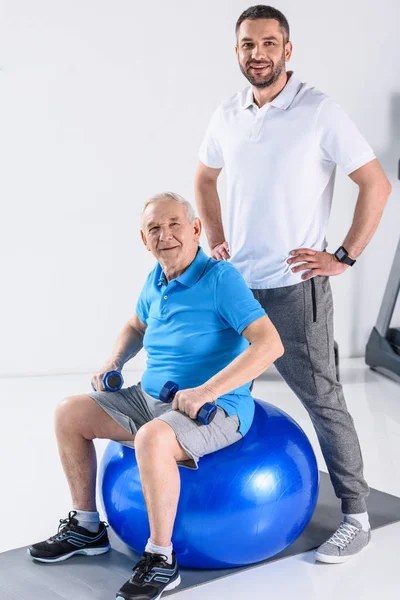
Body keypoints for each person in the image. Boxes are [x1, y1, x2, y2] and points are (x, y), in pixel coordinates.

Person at [195, 5, 392, 564]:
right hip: (233, 286)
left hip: (291, 288)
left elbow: (375, 184)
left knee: (321, 398)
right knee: (224, 390)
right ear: (237, 51)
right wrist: (215, 237)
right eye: (247, 45)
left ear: (288, 49)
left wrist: (344, 257)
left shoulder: (319, 111)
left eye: (268, 43)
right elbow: (204, 175)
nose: (257, 53)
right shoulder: (227, 113)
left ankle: (356, 516)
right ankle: (215, 502)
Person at [28, 192, 284, 600]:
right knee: (68, 413)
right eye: (154, 229)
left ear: (196, 229)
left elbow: (270, 345)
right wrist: (113, 362)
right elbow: (136, 325)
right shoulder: (156, 278)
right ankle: (87, 527)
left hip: (218, 408)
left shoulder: (221, 279)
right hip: (150, 399)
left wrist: (207, 390)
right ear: (144, 240)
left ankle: (162, 561)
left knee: (152, 438)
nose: (165, 236)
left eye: (174, 225)